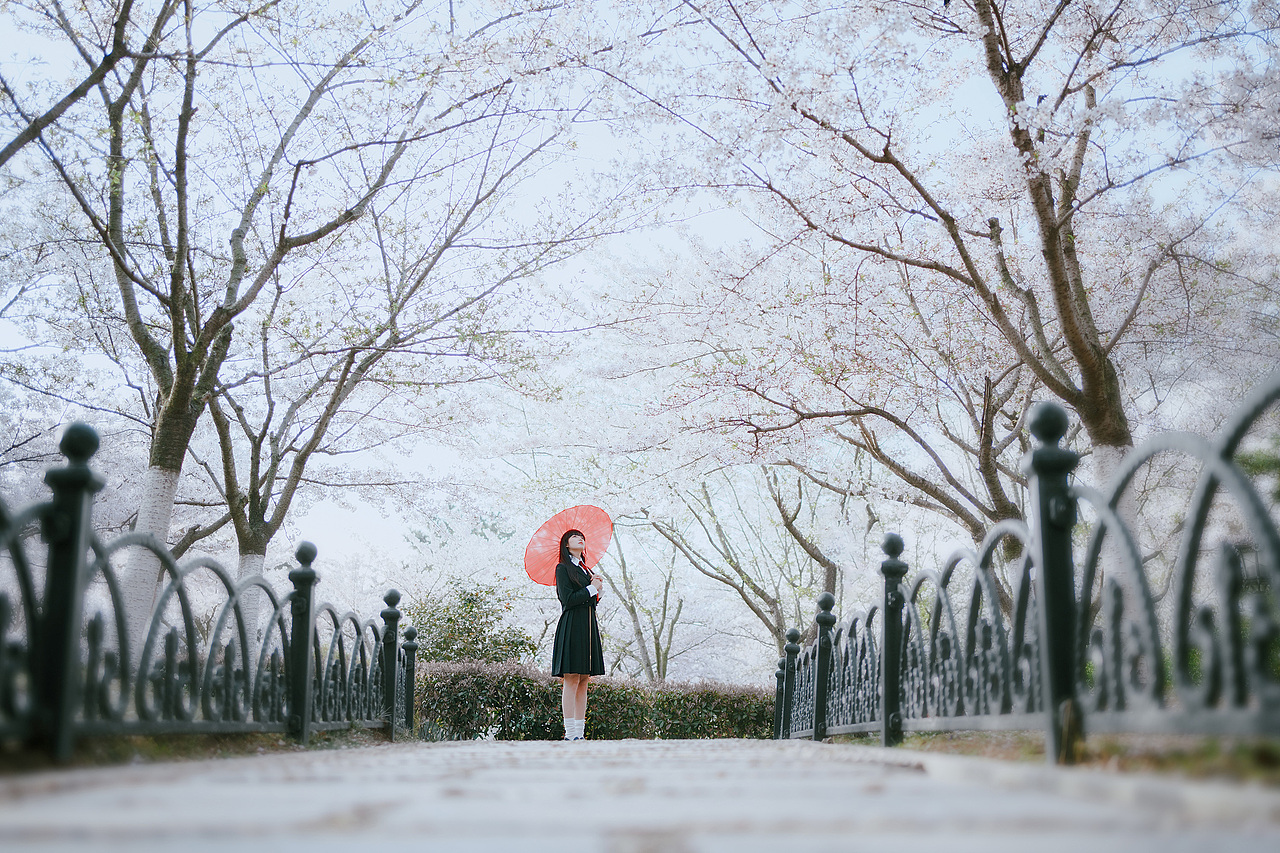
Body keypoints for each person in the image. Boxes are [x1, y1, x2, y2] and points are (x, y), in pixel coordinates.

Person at [550, 528, 604, 740]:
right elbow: (568, 599)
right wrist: (591, 589)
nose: (580, 538)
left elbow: (590, 602)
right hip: (572, 625)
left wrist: (597, 590)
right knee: (571, 678)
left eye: (582, 536)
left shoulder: (586, 569)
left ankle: (580, 734)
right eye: (574, 537)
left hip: (588, 625)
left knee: (584, 679)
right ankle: (570, 732)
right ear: (566, 544)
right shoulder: (562, 568)